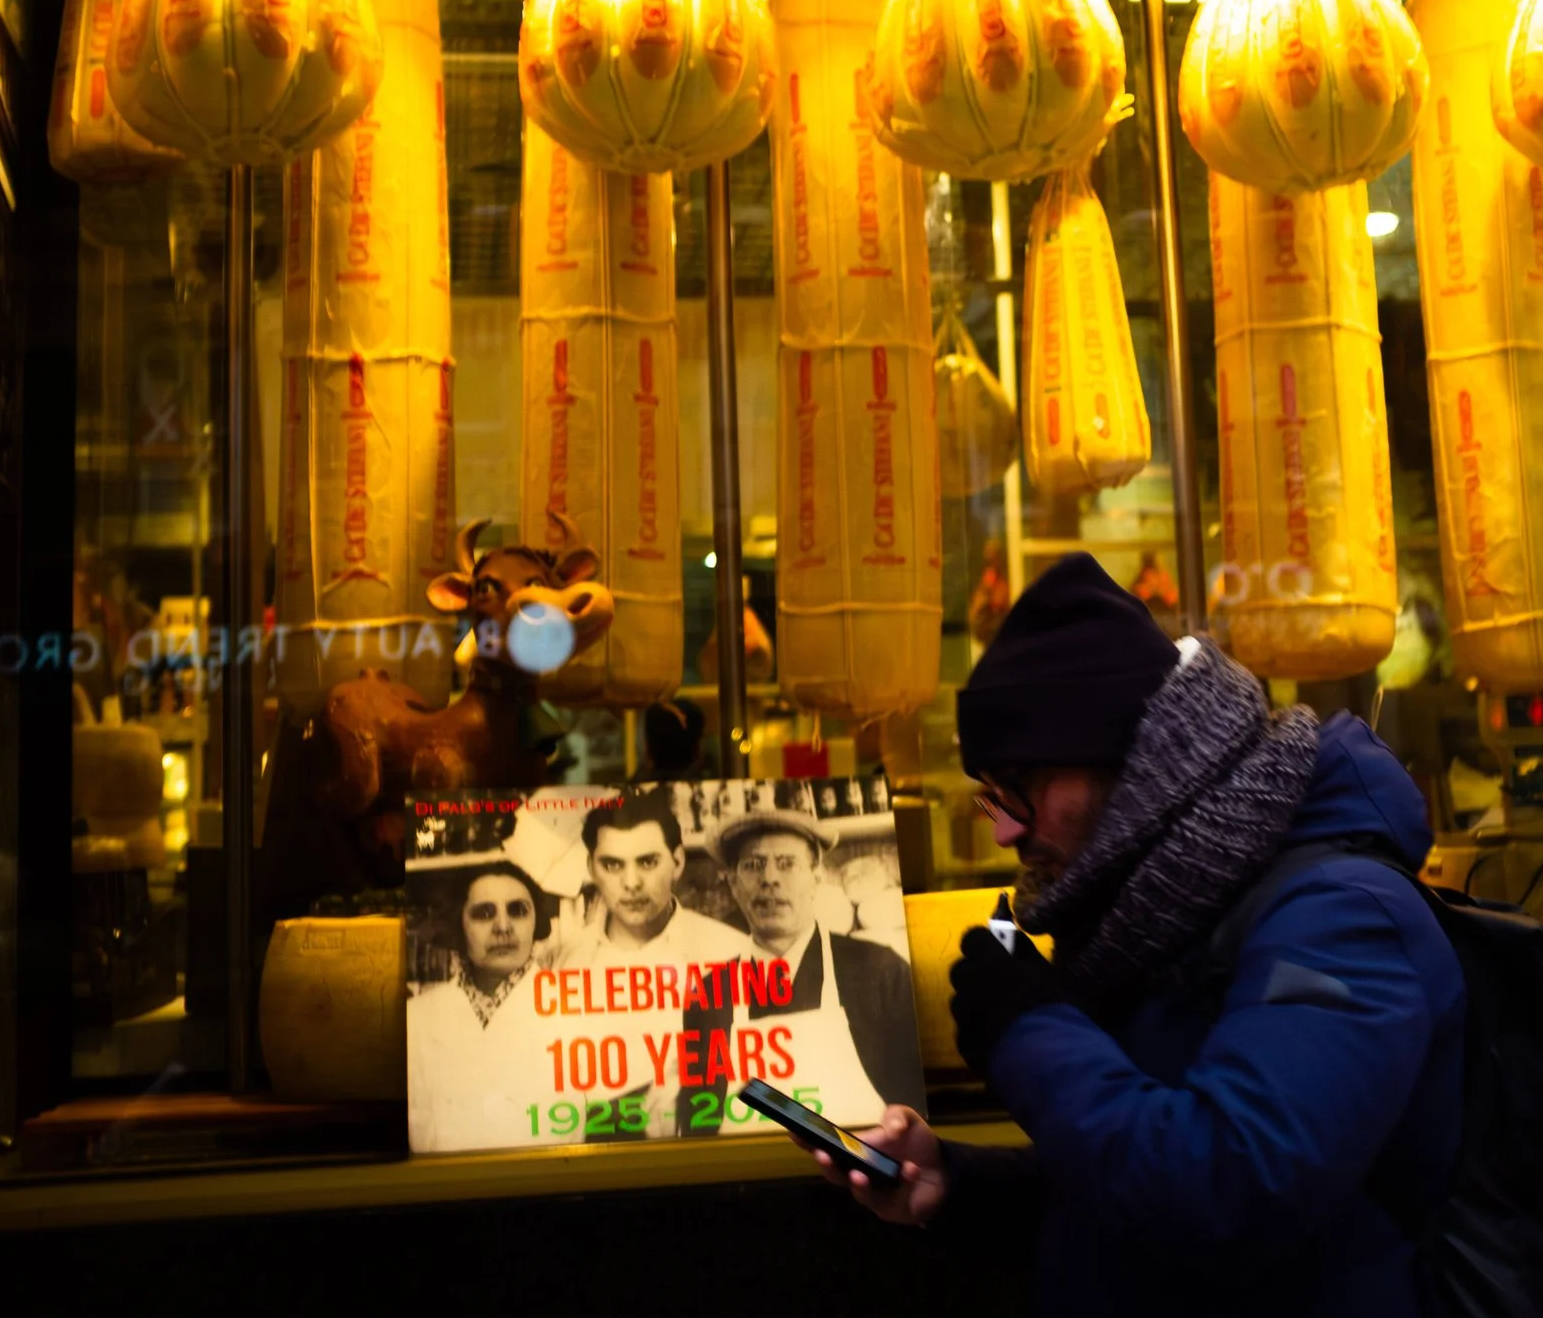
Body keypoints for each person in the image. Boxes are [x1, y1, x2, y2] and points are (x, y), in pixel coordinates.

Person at [806, 555, 1466, 1316]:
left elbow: (1227, 1196)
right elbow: (1132, 1173)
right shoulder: (1155, 911)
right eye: (991, 796)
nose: (1006, 832)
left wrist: (1028, 1028)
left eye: (1022, 785)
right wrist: (957, 1185)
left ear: (1136, 762)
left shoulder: (1342, 917)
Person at [685, 809, 923, 1134]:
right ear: (733, 882)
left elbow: (914, 1115)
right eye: (753, 866)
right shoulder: (709, 993)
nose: (770, 878)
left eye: (787, 863)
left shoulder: (879, 969)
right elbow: (700, 1121)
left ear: (817, 876)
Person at [546, 788, 753, 1137]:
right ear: (591, 870)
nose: (631, 883)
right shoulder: (565, 963)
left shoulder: (731, 950)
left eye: (647, 861)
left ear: (678, 863)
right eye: (612, 865)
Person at [405, 860, 564, 1153]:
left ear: (536, 922)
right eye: (484, 913)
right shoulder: (416, 1018)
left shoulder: (574, 1008)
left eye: (518, 910)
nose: (502, 927)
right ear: (459, 926)